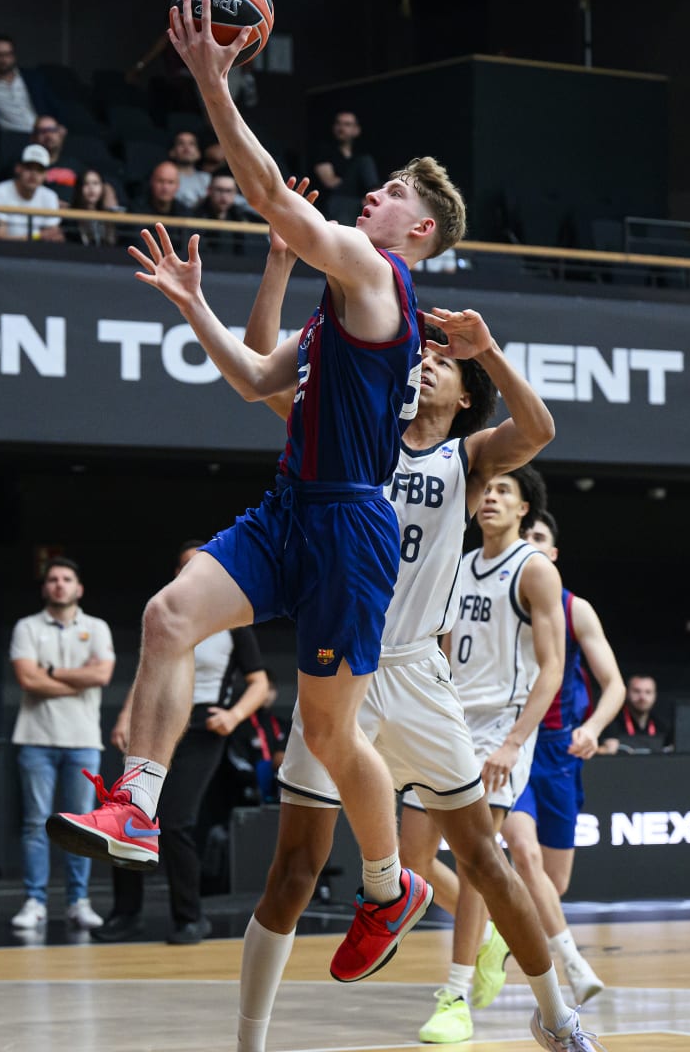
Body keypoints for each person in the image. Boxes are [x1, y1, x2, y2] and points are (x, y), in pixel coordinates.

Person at [51, 0, 479, 999]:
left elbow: (272, 199)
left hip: (352, 527)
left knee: (329, 733)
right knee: (167, 616)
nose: (370, 196)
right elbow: (253, 380)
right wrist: (196, 304)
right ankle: (137, 807)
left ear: (418, 228)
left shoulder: (381, 278)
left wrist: (213, 80)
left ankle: (389, 888)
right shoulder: (338, 308)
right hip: (292, 508)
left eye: (388, 193)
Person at [235, 223, 584, 1048]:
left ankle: (558, 1017)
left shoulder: (469, 460)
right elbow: (256, 372)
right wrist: (279, 264)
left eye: (442, 362)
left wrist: (487, 350)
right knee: (294, 870)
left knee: (484, 859)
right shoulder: (346, 434)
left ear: (463, 396)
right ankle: (249, 1042)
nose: (424, 361)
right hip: (338, 671)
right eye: (419, 354)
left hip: (419, 676)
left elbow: (538, 431)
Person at [403, 466, 572, 1043]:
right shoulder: (456, 562)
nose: (492, 496)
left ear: (525, 508)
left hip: (502, 727)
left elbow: (552, 668)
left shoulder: (534, 569)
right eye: (489, 488)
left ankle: (454, 995)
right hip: (449, 719)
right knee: (411, 861)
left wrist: (513, 742)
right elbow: (443, 650)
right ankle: (497, 929)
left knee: (476, 861)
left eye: (505, 490)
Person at [481, 512, 625, 1015]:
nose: (530, 545)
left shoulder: (573, 608)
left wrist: (594, 727)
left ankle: (501, 934)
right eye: (524, 537)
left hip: (560, 751)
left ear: (554, 554)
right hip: (511, 742)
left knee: (553, 884)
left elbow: (615, 685)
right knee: (523, 853)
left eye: (539, 538)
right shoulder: (492, 598)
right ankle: (574, 966)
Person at [96, 543, 271, 946]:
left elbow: (259, 683)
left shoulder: (233, 621)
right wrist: (125, 718)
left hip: (201, 730)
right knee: (129, 814)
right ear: (177, 574)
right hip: (157, 726)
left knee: (175, 822)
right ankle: (126, 914)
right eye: (185, 566)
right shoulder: (165, 616)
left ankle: (190, 917)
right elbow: (148, 676)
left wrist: (233, 716)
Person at [9, 557, 114, 933]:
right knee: (36, 824)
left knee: (81, 825)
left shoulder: (96, 627)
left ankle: (78, 902)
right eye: (52, 579)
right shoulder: (27, 627)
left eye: (67, 579)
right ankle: (35, 901)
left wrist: (50, 672)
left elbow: (102, 674)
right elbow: (27, 680)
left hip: (83, 740)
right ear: (44, 588)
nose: (59, 584)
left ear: (78, 588)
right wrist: (77, 681)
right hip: (36, 739)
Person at [312, 111, 381, 226]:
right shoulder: (325, 151)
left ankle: (374, 195)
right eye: (338, 123)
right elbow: (330, 182)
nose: (341, 128)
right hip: (335, 202)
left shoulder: (359, 156)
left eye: (347, 124)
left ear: (356, 130)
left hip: (357, 203)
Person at [0, 35, 56, 135]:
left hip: (43, 134)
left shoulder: (33, 78)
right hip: (13, 137)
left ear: (13, 55)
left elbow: (53, 105)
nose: (3, 59)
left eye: (7, 54)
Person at [0, 144, 63, 241]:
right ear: (18, 169)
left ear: (45, 175)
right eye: (29, 168)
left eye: (39, 170)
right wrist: (37, 236)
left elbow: (52, 236)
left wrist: (40, 236)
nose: (34, 174)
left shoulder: (50, 196)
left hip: (35, 249)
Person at [600, 675, 673, 753]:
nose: (642, 697)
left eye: (648, 692)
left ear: (655, 695)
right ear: (626, 693)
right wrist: (606, 750)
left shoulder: (663, 726)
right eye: (636, 691)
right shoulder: (610, 722)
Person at [193, 171, 252, 256]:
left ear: (235, 193)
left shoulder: (242, 216)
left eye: (229, 191)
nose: (224, 196)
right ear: (209, 190)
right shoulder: (194, 215)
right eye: (219, 190)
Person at [31, 116, 81, 201]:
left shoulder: (74, 164)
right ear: (33, 137)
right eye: (43, 131)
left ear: (60, 134)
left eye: (53, 130)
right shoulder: (26, 167)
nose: (49, 135)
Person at [68, 169, 123, 246]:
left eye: (95, 183)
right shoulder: (69, 218)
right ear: (79, 187)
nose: (91, 188)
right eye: (86, 184)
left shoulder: (111, 217)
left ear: (102, 187)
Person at [169, 130, 208, 209]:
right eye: (181, 143)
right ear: (172, 152)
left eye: (192, 144)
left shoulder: (207, 179)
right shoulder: (166, 178)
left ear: (198, 153)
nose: (186, 148)